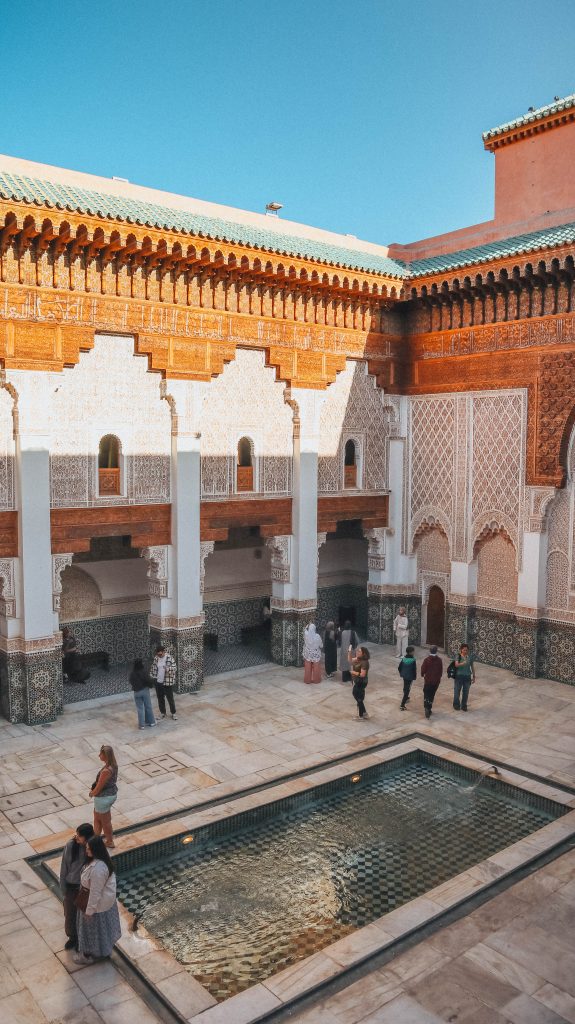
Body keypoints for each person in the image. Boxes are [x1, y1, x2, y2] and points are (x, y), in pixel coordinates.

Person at [74, 835, 122, 965]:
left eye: (89, 849)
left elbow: (95, 893)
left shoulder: (98, 869)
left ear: (96, 850)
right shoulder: (99, 861)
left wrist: (89, 911)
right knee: (102, 931)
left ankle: (88, 955)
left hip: (95, 905)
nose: (87, 851)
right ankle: (102, 951)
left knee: (91, 932)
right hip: (101, 904)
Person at [59, 823, 94, 950]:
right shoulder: (71, 845)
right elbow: (64, 867)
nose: (76, 837)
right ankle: (72, 938)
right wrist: (63, 889)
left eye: (79, 836)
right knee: (69, 914)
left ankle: (82, 941)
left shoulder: (92, 847)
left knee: (83, 917)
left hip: (84, 888)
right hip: (71, 886)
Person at [90, 745, 118, 849]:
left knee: (105, 821)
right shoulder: (112, 765)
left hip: (103, 798)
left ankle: (110, 842)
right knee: (97, 818)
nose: (99, 755)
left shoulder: (106, 770)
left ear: (105, 755)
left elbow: (99, 787)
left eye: (100, 754)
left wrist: (92, 793)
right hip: (107, 796)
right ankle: (95, 840)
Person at [150, 645, 178, 720]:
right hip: (158, 682)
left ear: (164, 652)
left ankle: (173, 713)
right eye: (158, 654)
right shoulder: (156, 658)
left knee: (170, 698)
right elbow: (153, 668)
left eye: (160, 654)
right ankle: (163, 712)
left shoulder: (169, 658)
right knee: (160, 698)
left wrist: (168, 669)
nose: (159, 655)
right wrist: (153, 678)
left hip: (167, 682)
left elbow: (175, 668)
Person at [129, 658, 157, 730]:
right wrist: (152, 684)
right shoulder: (144, 671)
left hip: (136, 692)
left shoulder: (132, 673)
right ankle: (151, 722)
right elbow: (148, 680)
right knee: (148, 706)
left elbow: (130, 681)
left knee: (140, 709)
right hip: (144, 691)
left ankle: (142, 725)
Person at [420, 645, 443, 718]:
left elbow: (423, 669)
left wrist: (422, 674)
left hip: (428, 680)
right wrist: (439, 677)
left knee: (426, 693)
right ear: (436, 651)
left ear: (430, 651)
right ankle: (429, 708)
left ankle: (426, 707)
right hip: (435, 681)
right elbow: (440, 670)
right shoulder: (439, 660)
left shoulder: (427, 660)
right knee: (432, 694)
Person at [453, 643, 475, 711]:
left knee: (466, 692)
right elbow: (456, 665)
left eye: (466, 650)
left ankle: (464, 705)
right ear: (461, 650)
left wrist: (474, 676)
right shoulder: (458, 656)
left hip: (467, 677)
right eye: (464, 650)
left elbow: (472, 666)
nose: (465, 651)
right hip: (459, 677)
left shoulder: (470, 657)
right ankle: (456, 705)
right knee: (457, 692)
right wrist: (462, 663)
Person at [350, 646, 370, 719]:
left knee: (359, 698)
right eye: (357, 651)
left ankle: (361, 716)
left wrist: (354, 673)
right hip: (357, 681)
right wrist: (349, 651)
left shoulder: (364, 662)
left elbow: (362, 674)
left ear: (363, 653)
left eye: (359, 651)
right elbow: (350, 660)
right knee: (356, 695)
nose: (357, 652)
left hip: (361, 682)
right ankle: (364, 713)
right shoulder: (358, 659)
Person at [398, 645, 417, 710]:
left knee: (405, 686)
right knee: (407, 689)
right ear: (411, 652)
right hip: (410, 677)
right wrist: (414, 677)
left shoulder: (403, 659)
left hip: (404, 676)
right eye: (413, 651)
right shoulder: (413, 660)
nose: (414, 652)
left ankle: (406, 697)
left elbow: (399, 668)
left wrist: (402, 673)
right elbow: (414, 670)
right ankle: (402, 705)